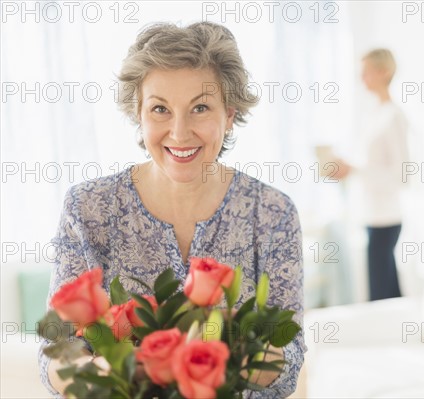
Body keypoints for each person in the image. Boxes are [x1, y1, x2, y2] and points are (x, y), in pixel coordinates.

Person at [38, 21, 306, 398]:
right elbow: (55, 348)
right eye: (160, 109)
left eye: (200, 107)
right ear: (139, 113)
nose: (179, 133)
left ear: (229, 115)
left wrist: (232, 354)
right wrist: (105, 371)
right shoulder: (88, 208)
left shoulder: (272, 213)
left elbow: (290, 356)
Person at [332, 49, 409, 301]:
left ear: (383, 72)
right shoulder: (373, 115)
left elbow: (402, 174)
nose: (361, 78)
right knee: (386, 289)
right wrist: (348, 168)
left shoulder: (394, 117)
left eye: (366, 72)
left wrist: (355, 170)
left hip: (386, 216)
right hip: (371, 212)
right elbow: (369, 164)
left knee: (381, 293)